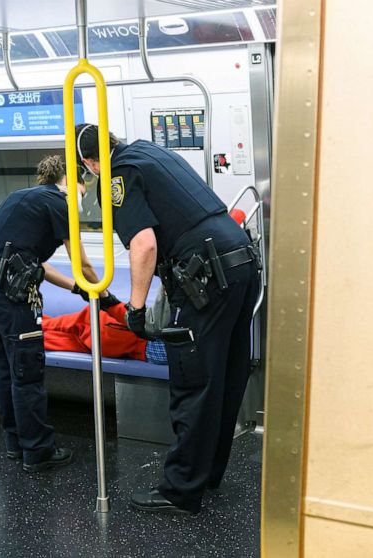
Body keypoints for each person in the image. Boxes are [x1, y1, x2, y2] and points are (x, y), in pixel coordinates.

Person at [75, 123, 261, 514]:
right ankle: (207, 474)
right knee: (225, 377)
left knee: (194, 381)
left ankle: (181, 491)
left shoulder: (117, 176)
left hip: (207, 278)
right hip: (240, 264)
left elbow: (144, 244)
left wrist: (136, 309)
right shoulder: (152, 152)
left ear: (91, 164)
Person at [0, 155, 118, 472]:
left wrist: (76, 288)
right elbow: (85, 264)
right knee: (27, 371)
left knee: (3, 369)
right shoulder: (59, 202)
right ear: (69, 181)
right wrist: (108, 298)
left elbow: (35, 263)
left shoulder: (22, 198)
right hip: (9, 295)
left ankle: (16, 444)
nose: (82, 195)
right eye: (83, 187)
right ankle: (37, 451)